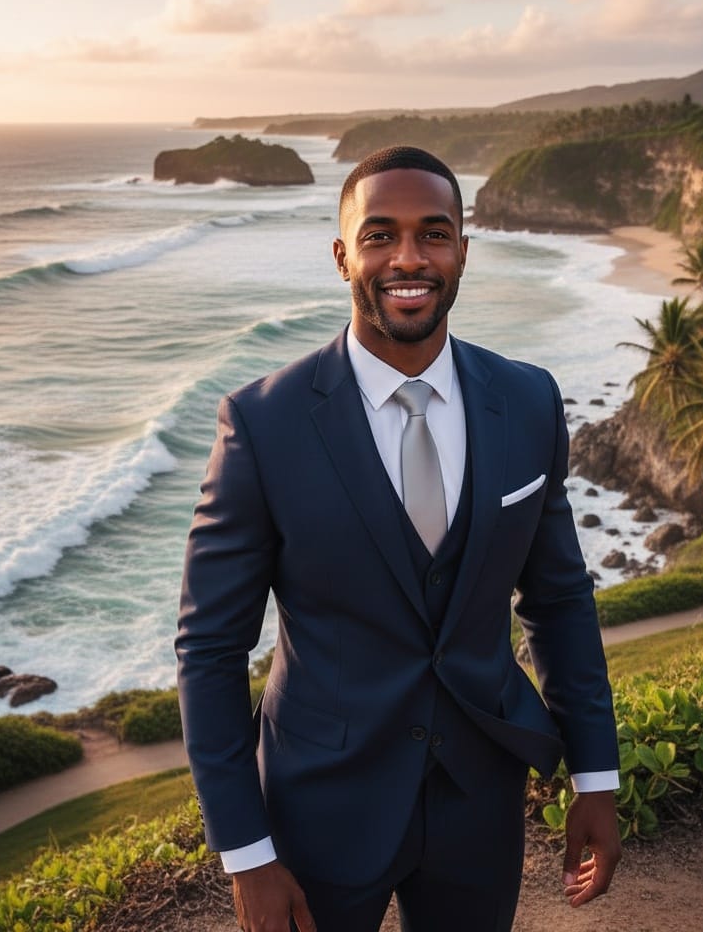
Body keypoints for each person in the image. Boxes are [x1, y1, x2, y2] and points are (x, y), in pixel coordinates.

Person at [176, 146, 621, 932]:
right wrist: (246, 854)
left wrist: (596, 775)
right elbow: (210, 649)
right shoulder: (262, 424)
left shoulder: (527, 400)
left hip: (481, 795)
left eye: (434, 233)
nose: (408, 258)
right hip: (319, 803)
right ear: (343, 255)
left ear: (463, 252)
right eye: (380, 235)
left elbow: (557, 599)